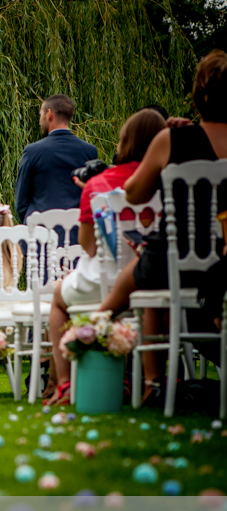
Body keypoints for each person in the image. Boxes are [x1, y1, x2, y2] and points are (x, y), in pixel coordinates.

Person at [99, 49, 227, 401]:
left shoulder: (171, 140)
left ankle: (147, 381)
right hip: (222, 263)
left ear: (198, 92)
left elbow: (136, 194)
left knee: (130, 285)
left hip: (172, 260)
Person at [45, 108, 168, 406]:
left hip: (100, 279)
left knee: (58, 300)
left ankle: (64, 384)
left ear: (124, 141)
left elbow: (88, 246)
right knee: (155, 303)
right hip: (156, 279)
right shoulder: (171, 179)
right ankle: (156, 380)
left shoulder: (98, 184)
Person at [15, 94, 98, 223]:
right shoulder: (90, 151)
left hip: (39, 235)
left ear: (49, 114)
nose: (39, 121)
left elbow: (21, 202)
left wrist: (31, 225)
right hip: (77, 233)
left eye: (40, 114)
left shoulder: (32, 151)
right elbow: (92, 195)